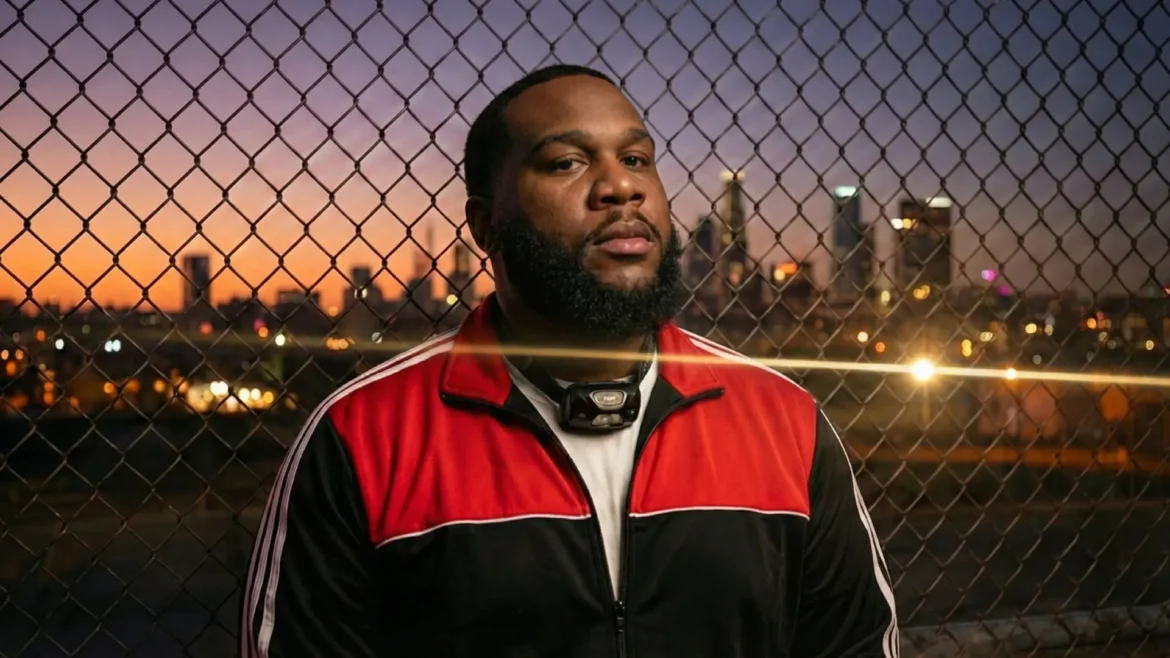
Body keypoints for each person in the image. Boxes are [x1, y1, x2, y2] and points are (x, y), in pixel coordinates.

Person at [240, 64, 898, 658]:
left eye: (637, 157)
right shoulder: (363, 435)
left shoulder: (784, 421)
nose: (619, 186)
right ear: (486, 224)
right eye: (564, 163)